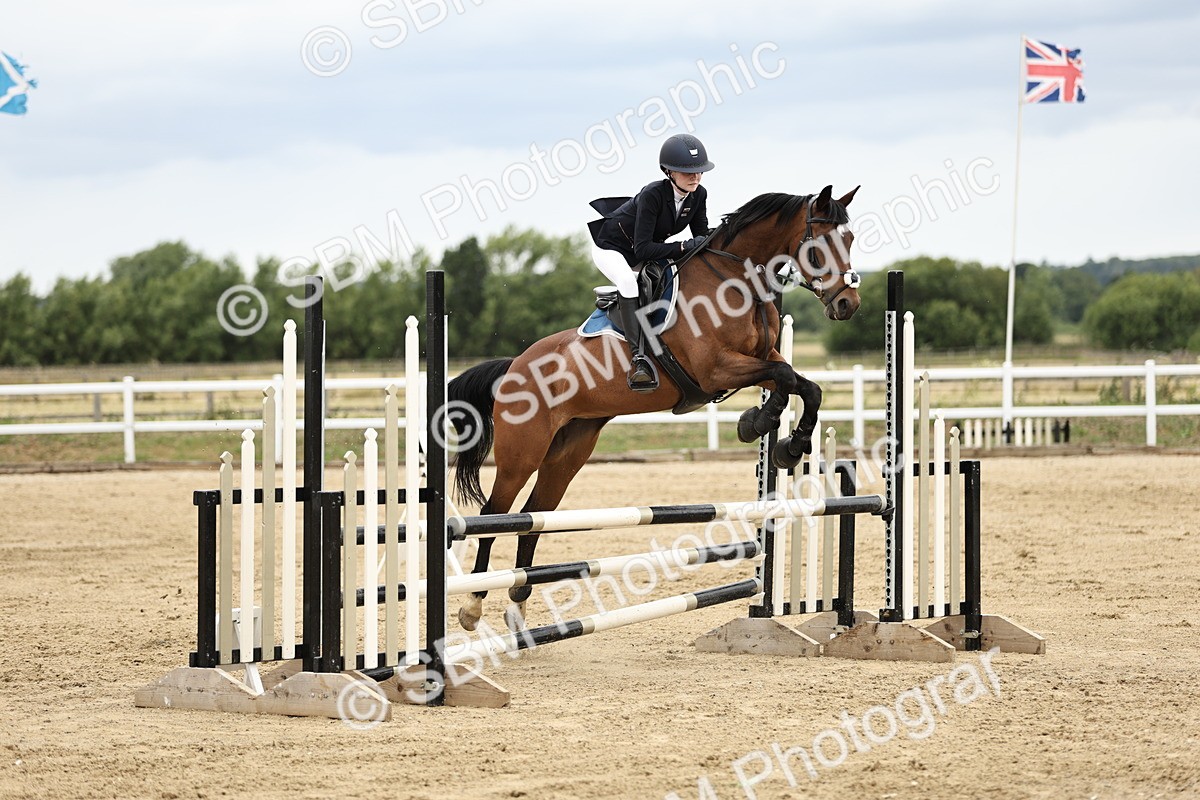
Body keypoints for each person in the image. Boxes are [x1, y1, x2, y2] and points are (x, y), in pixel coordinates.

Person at [588, 133, 715, 392]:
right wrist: (681, 247)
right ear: (669, 172)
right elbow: (644, 249)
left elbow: (701, 237)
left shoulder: (698, 195)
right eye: (687, 172)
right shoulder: (653, 195)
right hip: (612, 247)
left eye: (699, 171)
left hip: (641, 249)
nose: (696, 177)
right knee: (627, 282)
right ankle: (639, 358)